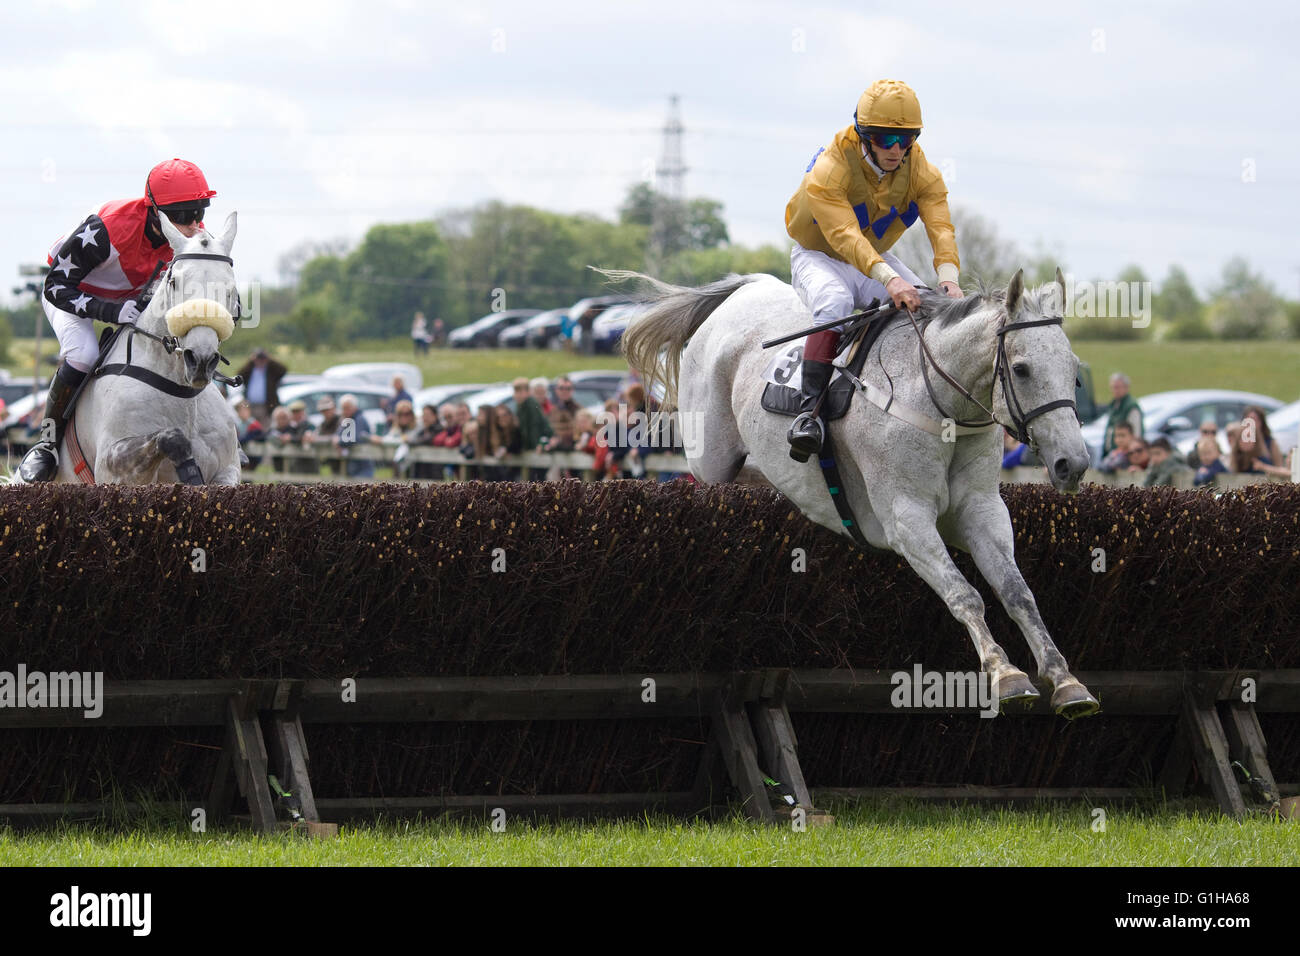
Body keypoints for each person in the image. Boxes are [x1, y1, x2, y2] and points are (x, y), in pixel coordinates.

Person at [783, 79, 962, 462]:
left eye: (906, 139)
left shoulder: (921, 170)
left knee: (928, 307)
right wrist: (890, 279)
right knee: (834, 300)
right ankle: (808, 412)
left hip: (873, 259)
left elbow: (941, 227)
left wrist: (949, 279)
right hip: (819, 255)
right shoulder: (831, 167)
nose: (897, 150)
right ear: (864, 136)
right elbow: (845, 237)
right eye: (885, 139)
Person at [17, 158, 217, 482]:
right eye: (183, 216)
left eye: (200, 212)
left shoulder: (192, 240)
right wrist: (110, 312)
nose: (195, 225)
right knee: (83, 355)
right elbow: (55, 286)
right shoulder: (106, 229)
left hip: (131, 298)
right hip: (72, 292)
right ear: (155, 211)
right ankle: (47, 444)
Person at [237, 348, 288, 426]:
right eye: (258, 359)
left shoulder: (271, 371)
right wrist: (251, 361)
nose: (260, 361)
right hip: (250, 406)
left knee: (265, 429)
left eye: (262, 359)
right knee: (251, 427)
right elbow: (239, 374)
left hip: (266, 406)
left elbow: (283, 370)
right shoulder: (250, 370)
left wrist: (270, 359)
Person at [1102, 373, 1143, 457]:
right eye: (1113, 387)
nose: (1115, 390)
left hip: (1124, 454)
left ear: (1126, 387)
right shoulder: (1113, 404)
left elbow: (1136, 433)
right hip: (1112, 452)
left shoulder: (1131, 406)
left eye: (1117, 387)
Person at [334, 394, 374, 479]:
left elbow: (355, 438)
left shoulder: (360, 419)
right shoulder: (347, 420)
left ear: (354, 407)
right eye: (343, 408)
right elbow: (337, 435)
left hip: (363, 467)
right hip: (351, 466)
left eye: (347, 408)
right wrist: (337, 439)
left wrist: (339, 442)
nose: (345, 411)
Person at [512, 377, 552, 451]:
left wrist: (534, 446)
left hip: (536, 447)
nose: (516, 395)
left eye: (519, 391)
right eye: (516, 391)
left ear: (527, 392)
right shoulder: (520, 406)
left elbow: (534, 427)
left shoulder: (530, 404)